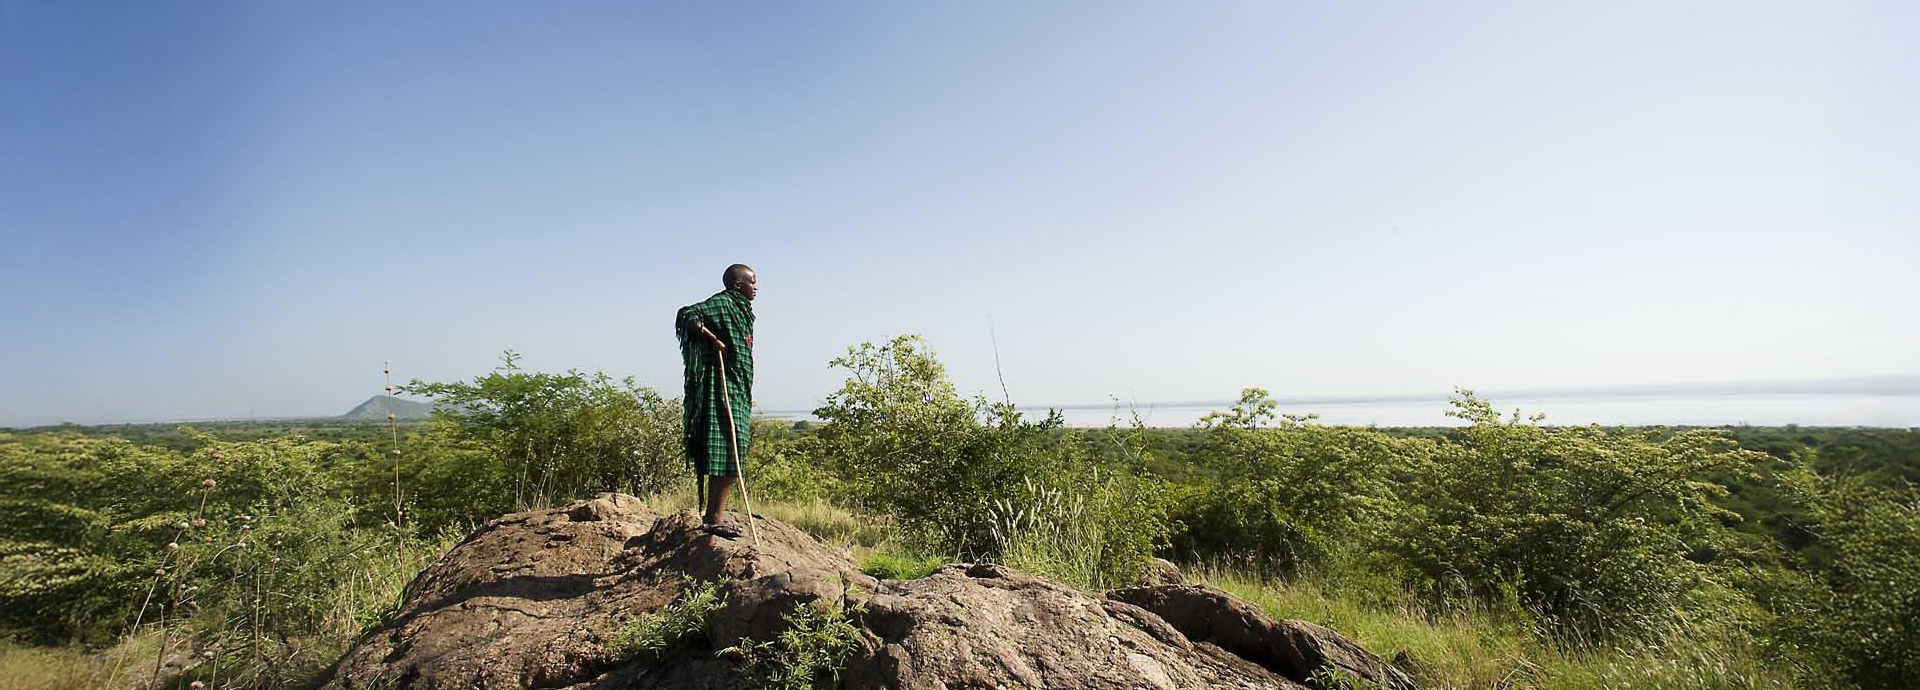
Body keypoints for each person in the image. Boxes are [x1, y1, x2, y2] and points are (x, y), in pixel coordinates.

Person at [675, 263, 757, 538]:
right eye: (752, 283)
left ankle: (714, 516)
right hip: (722, 389)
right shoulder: (722, 303)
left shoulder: (741, 310)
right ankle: (714, 519)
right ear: (737, 284)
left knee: (734, 449)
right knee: (727, 450)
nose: (756, 288)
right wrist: (713, 340)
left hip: (737, 387)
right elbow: (687, 315)